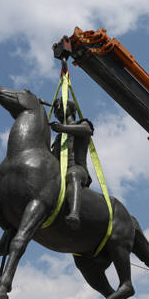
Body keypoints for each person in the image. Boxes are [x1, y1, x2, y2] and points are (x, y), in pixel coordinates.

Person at [50, 97, 94, 230]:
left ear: (72, 109)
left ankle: (74, 213)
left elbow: (87, 131)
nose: (57, 109)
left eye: (61, 106)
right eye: (56, 108)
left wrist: (62, 128)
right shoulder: (58, 138)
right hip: (59, 173)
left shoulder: (83, 124)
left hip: (77, 168)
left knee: (73, 174)